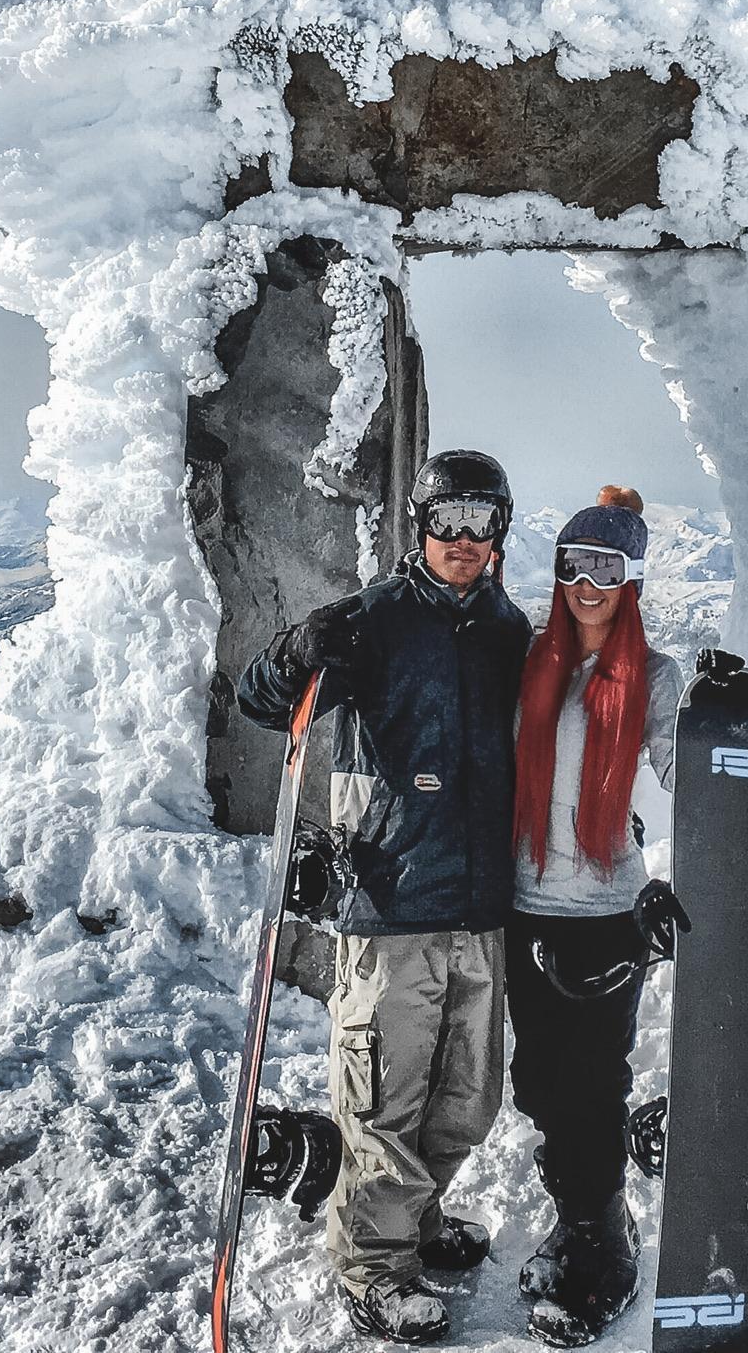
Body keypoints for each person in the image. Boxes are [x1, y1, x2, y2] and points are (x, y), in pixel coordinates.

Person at [237, 449, 532, 1347]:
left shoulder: (508, 629)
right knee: (383, 1100)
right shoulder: (375, 619)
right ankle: (371, 1264)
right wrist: (295, 650)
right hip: (393, 901)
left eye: (482, 520)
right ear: (420, 524)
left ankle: (415, 1217)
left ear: (500, 531)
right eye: (448, 520)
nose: (463, 539)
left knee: (466, 1098)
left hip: (482, 910)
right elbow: (260, 699)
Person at [506, 485, 686, 1347]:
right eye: (573, 562)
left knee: (590, 1082)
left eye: (605, 566)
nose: (585, 581)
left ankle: (600, 1235)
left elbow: (688, 770)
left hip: (603, 912)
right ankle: (575, 1210)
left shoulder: (652, 675)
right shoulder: (529, 658)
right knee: (540, 1082)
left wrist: (735, 734)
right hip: (520, 907)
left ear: (632, 578)